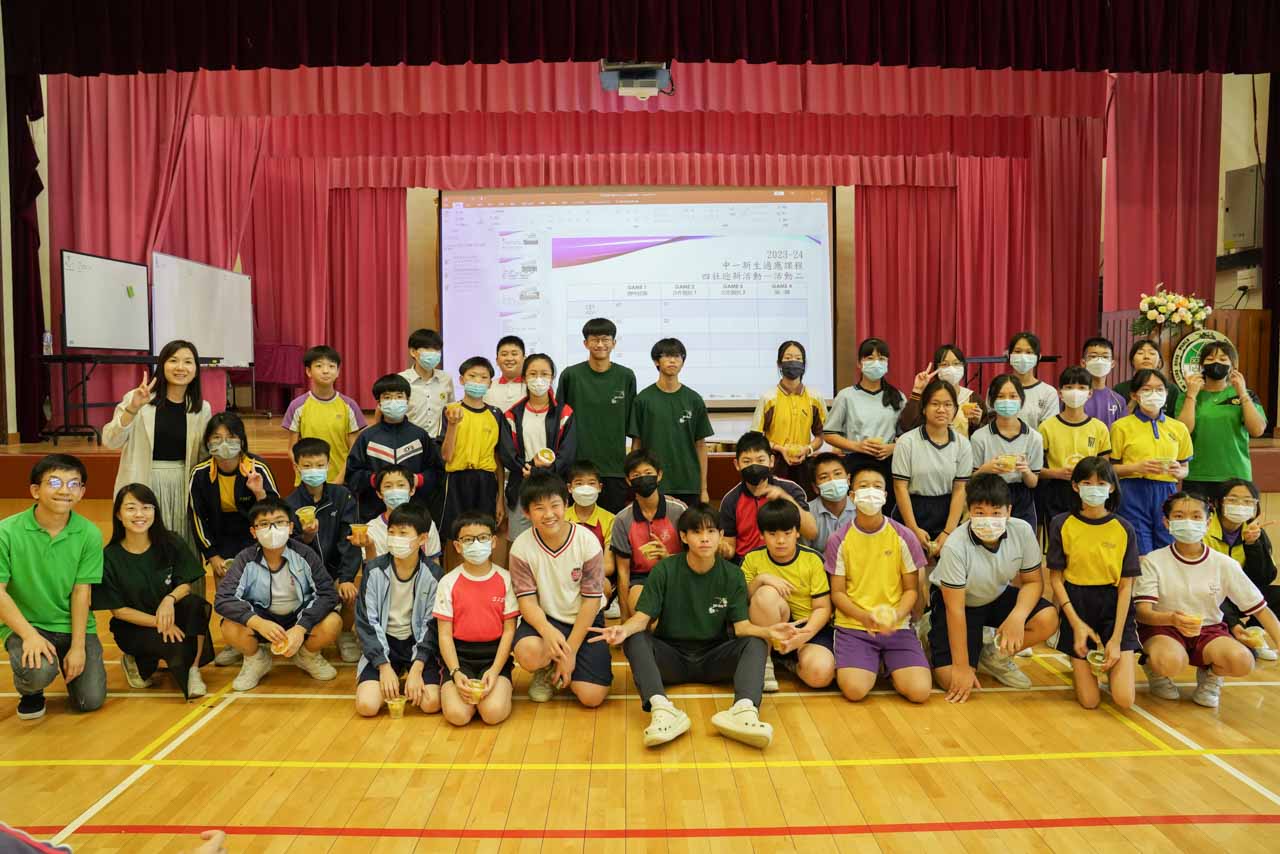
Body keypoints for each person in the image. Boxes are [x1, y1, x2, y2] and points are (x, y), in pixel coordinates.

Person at [589, 504, 795, 749]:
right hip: (671, 658)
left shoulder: (733, 575)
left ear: (720, 535)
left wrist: (768, 632)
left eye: (711, 531)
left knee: (756, 641)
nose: (705, 538)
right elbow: (642, 619)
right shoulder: (664, 570)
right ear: (684, 537)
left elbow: (741, 628)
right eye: (697, 532)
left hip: (714, 658)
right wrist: (622, 630)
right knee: (635, 638)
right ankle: (662, 710)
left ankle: (744, 711)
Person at [1136, 492, 1280, 708]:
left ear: (1208, 522)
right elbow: (1142, 612)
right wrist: (1172, 619)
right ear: (1167, 522)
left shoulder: (1224, 564)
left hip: (1209, 630)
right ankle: (1155, 670)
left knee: (1243, 661)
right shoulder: (1153, 561)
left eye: (1196, 516)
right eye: (1179, 516)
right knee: (1170, 661)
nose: (1188, 522)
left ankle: (1211, 677)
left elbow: (1260, 609)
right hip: (1163, 629)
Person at [928, 474, 1059, 702]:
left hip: (996, 594)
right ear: (969, 512)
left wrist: (1017, 616)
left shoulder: (1022, 531)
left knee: (1047, 618)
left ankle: (995, 655)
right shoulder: (955, 546)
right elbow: (955, 610)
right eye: (980, 513)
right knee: (951, 680)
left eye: (996, 513)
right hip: (961, 604)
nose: (988, 520)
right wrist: (961, 667)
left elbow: (1033, 582)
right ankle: (929, 629)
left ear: (1009, 511)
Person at [0, 454, 106, 720]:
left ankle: (66, 661)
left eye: (73, 484)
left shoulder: (89, 534)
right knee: (38, 672)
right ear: (35, 490)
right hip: (28, 624)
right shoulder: (6, 532)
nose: (64, 490)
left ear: (82, 492)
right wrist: (29, 636)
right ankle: (31, 691)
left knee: (90, 700)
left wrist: (78, 646)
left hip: (72, 625)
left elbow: (82, 592)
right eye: (55, 482)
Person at [94, 483, 214, 699]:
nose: (139, 514)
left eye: (146, 507)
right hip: (135, 626)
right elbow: (119, 611)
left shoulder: (171, 542)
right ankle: (137, 660)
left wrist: (169, 600)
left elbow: (185, 583)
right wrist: (160, 623)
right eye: (131, 508)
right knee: (175, 649)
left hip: (169, 613)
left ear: (155, 511)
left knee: (196, 605)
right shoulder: (109, 557)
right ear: (119, 515)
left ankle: (193, 670)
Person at [829, 462, 932, 704]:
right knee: (854, 691)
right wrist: (864, 617)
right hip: (854, 626)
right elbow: (838, 593)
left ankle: (889, 664)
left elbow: (911, 589)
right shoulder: (839, 539)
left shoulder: (903, 536)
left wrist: (896, 616)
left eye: (877, 487)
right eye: (864, 486)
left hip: (897, 626)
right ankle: (872, 661)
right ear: (852, 496)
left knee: (919, 692)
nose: (871, 492)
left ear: (885, 496)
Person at [213, 497, 342, 691]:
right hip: (261, 617)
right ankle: (256, 660)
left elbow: (327, 594)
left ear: (290, 527)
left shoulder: (305, 554)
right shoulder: (245, 558)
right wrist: (258, 622)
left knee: (333, 622)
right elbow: (223, 599)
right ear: (253, 532)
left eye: (280, 522)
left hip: (299, 615)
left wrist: (301, 627)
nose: (272, 529)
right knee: (229, 626)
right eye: (264, 524)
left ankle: (307, 656)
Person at [1046, 457, 1141, 710]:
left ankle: (1112, 659)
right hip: (1076, 604)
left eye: (1101, 483)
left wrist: (1116, 640)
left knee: (1124, 699)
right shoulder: (1061, 523)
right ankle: (1080, 662)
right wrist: (1076, 623)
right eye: (1087, 483)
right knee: (1090, 702)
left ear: (1112, 487)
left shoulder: (1124, 528)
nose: (1094, 489)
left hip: (1114, 606)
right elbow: (1056, 578)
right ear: (1075, 486)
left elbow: (1126, 586)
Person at [509, 473, 611, 706]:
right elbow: (527, 602)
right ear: (526, 513)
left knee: (591, 697)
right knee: (528, 652)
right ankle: (546, 668)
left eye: (555, 505)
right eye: (539, 508)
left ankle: (565, 665)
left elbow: (591, 602)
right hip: (547, 620)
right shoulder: (521, 548)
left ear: (566, 504)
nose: (549, 514)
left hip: (584, 619)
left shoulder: (587, 541)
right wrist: (546, 630)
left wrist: (570, 652)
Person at [102, 339, 211, 548]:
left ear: (196, 369)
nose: (180, 367)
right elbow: (110, 441)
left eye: (188, 362)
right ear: (162, 365)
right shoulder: (138, 399)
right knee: (144, 543)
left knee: (182, 545)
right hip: (144, 480)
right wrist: (132, 409)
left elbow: (204, 455)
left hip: (182, 484)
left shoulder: (201, 408)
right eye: (173, 360)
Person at [353, 505, 443, 718]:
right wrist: (383, 666)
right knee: (367, 706)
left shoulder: (435, 575)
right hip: (385, 643)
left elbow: (432, 626)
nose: (395, 539)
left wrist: (417, 668)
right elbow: (367, 622)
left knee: (431, 703)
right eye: (391, 532)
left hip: (417, 644)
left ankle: (409, 675)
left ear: (422, 539)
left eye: (403, 533)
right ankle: (391, 674)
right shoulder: (373, 570)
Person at [740, 499, 835, 692]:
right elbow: (742, 600)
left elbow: (822, 607)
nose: (781, 540)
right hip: (768, 629)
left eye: (787, 533)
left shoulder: (812, 560)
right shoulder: (752, 558)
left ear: (797, 532)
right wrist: (761, 579)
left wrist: (803, 635)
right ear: (761, 534)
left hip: (806, 629)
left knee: (820, 675)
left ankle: (789, 663)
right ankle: (765, 662)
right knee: (765, 593)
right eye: (772, 534)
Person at [435, 512, 518, 727]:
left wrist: (495, 670)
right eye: (468, 539)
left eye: (482, 538)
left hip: (494, 657)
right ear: (458, 546)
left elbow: (509, 630)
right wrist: (455, 672)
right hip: (460, 658)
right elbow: (444, 634)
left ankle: (500, 689)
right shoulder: (447, 582)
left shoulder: (506, 579)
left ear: (493, 542)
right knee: (458, 715)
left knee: (492, 714)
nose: (476, 544)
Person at [284, 437, 361, 662]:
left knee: (350, 593)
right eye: (307, 466)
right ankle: (306, 635)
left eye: (319, 465)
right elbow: (290, 549)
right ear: (297, 467)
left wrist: (346, 578)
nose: (314, 470)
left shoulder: (343, 496)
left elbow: (350, 540)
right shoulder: (290, 504)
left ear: (328, 465)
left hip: (335, 570)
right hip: (305, 575)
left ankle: (345, 634)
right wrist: (307, 537)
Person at [556, 318, 637, 513]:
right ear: (585, 343)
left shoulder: (626, 376)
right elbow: (558, 424)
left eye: (605, 339)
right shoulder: (571, 375)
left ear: (614, 343)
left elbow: (634, 427)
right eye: (594, 339)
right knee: (576, 525)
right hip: (577, 469)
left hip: (614, 469)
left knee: (612, 525)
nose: (600, 344)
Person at [1110, 369, 1193, 554]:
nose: (1154, 394)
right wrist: (1136, 467)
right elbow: (1110, 469)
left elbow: (1185, 468)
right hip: (1133, 491)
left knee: (1168, 548)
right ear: (1135, 395)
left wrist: (1179, 471)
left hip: (1167, 492)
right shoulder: (1120, 427)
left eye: (1159, 389)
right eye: (1147, 389)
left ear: (1166, 393)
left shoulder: (1179, 428)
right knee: (1140, 551)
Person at [188, 412, 278, 582]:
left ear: (241, 441)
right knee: (226, 592)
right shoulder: (199, 473)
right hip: (220, 535)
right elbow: (197, 517)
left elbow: (276, 512)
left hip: (254, 534)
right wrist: (212, 555)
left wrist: (259, 493)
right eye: (217, 437)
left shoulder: (258, 468)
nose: (224, 443)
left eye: (231, 437)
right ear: (208, 442)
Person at [1173, 340, 1268, 501]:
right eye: (1210, 359)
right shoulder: (1187, 396)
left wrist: (1242, 393)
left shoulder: (1246, 394)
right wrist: (1191, 395)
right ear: (1201, 365)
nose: (1216, 363)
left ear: (1233, 366)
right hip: (1198, 475)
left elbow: (1257, 430)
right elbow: (1183, 431)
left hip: (1236, 475)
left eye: (1223, 359)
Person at [499, 353, 577, 542]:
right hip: (521, 486)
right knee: (519, 542)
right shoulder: (512, 414)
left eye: (544, 374)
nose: (538, 379)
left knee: (554, 541)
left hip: (554, 486)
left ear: (552, 377)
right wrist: (528, 469)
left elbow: (568, 453)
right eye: (533, 374)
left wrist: (542, 471)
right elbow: (507, 454)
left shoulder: (565, 413)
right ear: (524, 378)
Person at [891, 379, 972, 561]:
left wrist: (948, 531)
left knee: (950, 569)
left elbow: (960, 489)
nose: (941, 409)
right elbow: (900, 487)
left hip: (947, 512)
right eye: (935, 404)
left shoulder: (963, 444)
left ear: (955, 409)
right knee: (911, 570)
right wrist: (913, 529)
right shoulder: (906, 442)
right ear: (924, 408)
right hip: (911, 510)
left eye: (948, 404)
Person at [345, 373, 443, 521]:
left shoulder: (420, 436)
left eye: (399, 396)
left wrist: (419, 480)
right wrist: (376, 480)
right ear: (379, 403)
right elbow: (352, 474)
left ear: (407, 400)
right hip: (374, 513)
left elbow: (437, 471)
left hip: (415, 513)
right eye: (387, 397)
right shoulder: (367, 437)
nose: (394, 401)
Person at [628, 337, 714, 507]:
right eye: (667, 356)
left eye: (677, 356)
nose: (673, 360)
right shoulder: (643, 400)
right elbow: (636, 445)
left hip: (689, 484)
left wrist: (703, 489)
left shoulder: (694, 399)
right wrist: (637, 486)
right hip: (653, 484)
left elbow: (701, 446)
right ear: (656, 361)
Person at [822, 337, 904, 513]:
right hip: (855, 462)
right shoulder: (846, 396)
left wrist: (892, 448)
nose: (876, 363)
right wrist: (857, 446)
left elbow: (908, 436)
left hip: (888, 464)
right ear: (859, 363)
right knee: (855, 510)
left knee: (885, 512)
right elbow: (829, 434)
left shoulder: (897, 396)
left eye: (881, 359)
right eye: (870, 358)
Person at [718, 431, 816, 564]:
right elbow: (730, 549)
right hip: (745, 565)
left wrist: (786, 498)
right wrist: (723, 549)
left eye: (760, 460)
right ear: (737, 464)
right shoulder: (731, 500)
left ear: (771, 461)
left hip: (786, 564)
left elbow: (811, 533)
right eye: (747, 461)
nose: (754, 466)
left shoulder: (791, 490)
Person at [1207, 479, 1279, 660]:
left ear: (1255, 506)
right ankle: (1236, 631)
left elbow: (1265, 577)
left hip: (1239, 595)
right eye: (1233, 499)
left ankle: (1254, 633)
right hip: (1210, 596)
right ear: (1219, 502)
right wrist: (1234, 623)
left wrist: (1252, 545)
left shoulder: (1255, 531)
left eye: (1247, 501)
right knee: (1244, 654)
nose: (1240, 505)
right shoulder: (1205, 528)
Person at [611, 449, 688, 618]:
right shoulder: (622, 519)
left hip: (677, 575)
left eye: (648, 473)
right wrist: (624, 619)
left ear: (659, 475)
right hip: (640, 580)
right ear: (628, 480)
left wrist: (667, 558)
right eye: (636, 475)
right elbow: (623, 572)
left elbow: (694, 555)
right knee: (643, 613)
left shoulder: (679, 510)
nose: (643, 478)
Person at [440, 357, 506, 546]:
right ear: (462, 380)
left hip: (486, 482)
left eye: (483, 377)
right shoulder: (450, 410)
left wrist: (500, 498)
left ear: (490, 383)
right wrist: (453, 425)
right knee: (455, 536)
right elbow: (446, 456)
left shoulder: (495, 414)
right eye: (472, 376)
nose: (478, 381)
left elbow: (498, 459)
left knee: (483, 534)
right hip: (456, 481)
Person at [1037, 366, 1112, 528]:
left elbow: (1105, 468)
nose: (1075, 392)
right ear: (1060, 393)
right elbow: (1035, 470)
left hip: (1089, 492)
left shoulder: (1099, 428)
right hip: (1056, 492)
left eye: (1082, 388)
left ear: (1090, 393)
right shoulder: (1046, 427)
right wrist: (1056, 473)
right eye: (1069, 387)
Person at [282, 345, 366, 485]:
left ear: (338, 371)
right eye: (319, 366)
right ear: (308, 371)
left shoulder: (349, 406)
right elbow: (292, 449)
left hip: (341, 482)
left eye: (331, 366)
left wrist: (339, 480)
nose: (326, 371)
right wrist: (307, 474)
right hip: (307, 482)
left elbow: (354, 450)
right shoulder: (297, 406)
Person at [751, 340, 827, 491]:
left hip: (804, 463)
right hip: (775, 463)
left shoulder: (815, 397)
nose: (793, 362)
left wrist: (808, 449)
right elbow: (756, 437)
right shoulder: (768, 398)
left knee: (802, 501)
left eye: (798, 358)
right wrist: (780, 449)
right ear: (779, 363)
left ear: (804, 364)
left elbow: (821, 435)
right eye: (788, 358)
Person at [970, 375, 1042, 531]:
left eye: (1013, 396)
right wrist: (985, 469)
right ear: (991, 401)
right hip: (989, 496)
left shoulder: (1034, 437)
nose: (1007, 401)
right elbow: (971, 481)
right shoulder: (979, 437)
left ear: (1021, 400)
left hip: (1022, 499)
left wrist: (1026, 471)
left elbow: (1033, 482)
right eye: (1001, 396)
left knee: (1023, 541)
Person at [564, 460, 618, 616]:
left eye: (591, 483)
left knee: (604, 585)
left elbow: (609, 566)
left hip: (596, 576)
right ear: (569, 488)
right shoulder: (561, 517)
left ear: (600, 488)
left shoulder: (610, 519)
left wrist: (581, 575)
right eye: (579, 483)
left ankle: (595, 617)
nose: (585, 488)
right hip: (563, 575)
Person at [362, 466, 444, 563]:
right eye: (388, 486)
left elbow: (434, 562)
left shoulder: (428, 524)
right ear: (379, 493)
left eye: (401, 485)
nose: (395, 491)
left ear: (412, 490)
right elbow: (371, 567)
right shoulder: (371, 529)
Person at [898, 345, 984, 437]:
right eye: (944, 364)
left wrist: (977, 423)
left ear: (963, 366)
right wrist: (917, 390)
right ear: (936, 368)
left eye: (956, 363)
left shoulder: (972, 397)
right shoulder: (928, 396)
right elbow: (906, 426)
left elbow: (983, 436)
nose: (951, 369)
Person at [399, 328, 455, 441]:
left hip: (438, 441)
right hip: (409, 441)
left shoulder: (446, 379)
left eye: (437, 350)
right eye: (427, 349)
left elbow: (450, 409)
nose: (433, 353)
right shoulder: (401, 380)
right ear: (413, 352)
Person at [1006, 331, 1059, 430]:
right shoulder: (997, 388)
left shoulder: (1048, 393)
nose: (1023, 356)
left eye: (1029, 352)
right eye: (1017, 351)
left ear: (1038, 357)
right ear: (1009, 355)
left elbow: (1049, 431)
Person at [805, 452, 855, 554]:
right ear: (815, 488)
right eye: (824, 477)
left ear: (848, 480)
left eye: (837, 474)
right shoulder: (807, 514)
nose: (833, 480)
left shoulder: (862, 508)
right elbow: (804, 554)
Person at [1080, 337, 1127, 428]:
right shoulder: (1075, 396)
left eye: (1105, 357)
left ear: (1112, 364)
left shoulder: (1118, 400)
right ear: (1083, 363)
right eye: (1093, 356)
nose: (1099, 361)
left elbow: (1121, 431)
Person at [484, 334, 527, 413]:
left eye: (514, 354)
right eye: (504, 354)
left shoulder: (533, 386)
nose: (509, 358)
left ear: (524, 359)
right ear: (497, 360)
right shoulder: (487, 387)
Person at [1113, 338, 1163, 403]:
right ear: (1132, 361)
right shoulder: (1120, 389)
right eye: (1140, 353)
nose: (1146, 357)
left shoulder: (1172, 389)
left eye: (1152, 353)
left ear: (1159, 362)